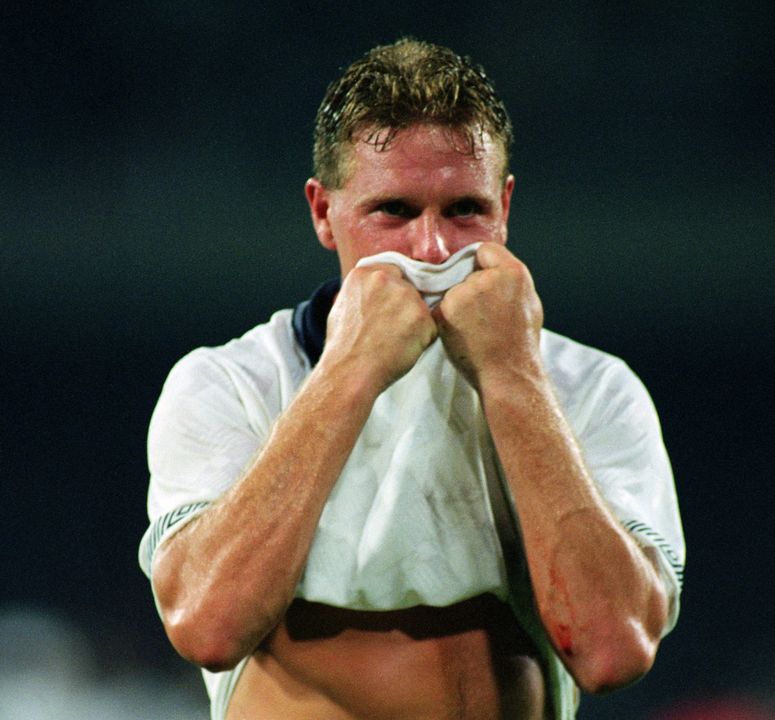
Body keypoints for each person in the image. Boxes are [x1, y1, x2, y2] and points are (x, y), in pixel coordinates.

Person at [139, 38, 685, 720]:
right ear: (322, 213)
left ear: (504, 209)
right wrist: (353, 368)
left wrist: (513, 374)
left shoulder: (594, 389)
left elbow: (612, 651)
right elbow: (207, 626)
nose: (430, 250)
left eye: (465, 210)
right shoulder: (229, 384)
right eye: (392, 211)